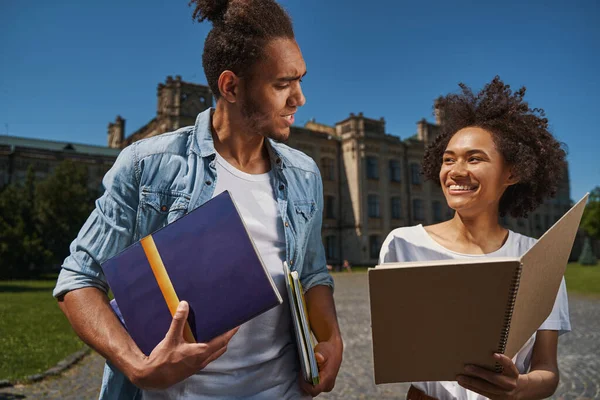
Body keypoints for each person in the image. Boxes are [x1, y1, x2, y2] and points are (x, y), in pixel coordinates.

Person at [53, 0, 343, 398]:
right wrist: (138, 367)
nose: (300, 99)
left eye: (301, 80)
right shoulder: (147, 165)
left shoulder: (304, 174)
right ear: (231, 86)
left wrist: (331, 339)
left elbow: (311, 274)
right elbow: (78, 281)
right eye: (282, 84)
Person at [379, 77, 570, 400]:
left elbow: (547, 372)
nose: (455, 170)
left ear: (512, 173)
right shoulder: (403, 244)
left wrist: (518, 387)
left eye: (474, 158)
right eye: (448, 159)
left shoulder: (539, 256)